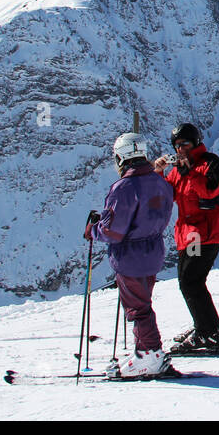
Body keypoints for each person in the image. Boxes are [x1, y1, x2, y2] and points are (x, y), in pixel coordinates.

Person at [86, 132, 175, 378]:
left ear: (121, 157)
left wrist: (93, 230)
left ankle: (150, 354)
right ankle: (146, 351)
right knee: (143, 303)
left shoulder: (124, 188)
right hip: (153, 253)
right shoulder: (161, 183)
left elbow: (113, 231)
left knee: (138, 308)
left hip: (130, 257)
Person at [154, 123, 219, 353]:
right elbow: (164, 196)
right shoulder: (177, 170)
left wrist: (189, 172)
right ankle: (206, 328)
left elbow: (211, 190)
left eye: (185, 144)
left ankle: (208, 333)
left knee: (190, 281)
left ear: (195, 142)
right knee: (190, 282)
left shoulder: (210, 163)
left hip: (203, 234)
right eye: (177, 146)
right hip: (188, 234)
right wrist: (159, 172)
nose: (181, 149)